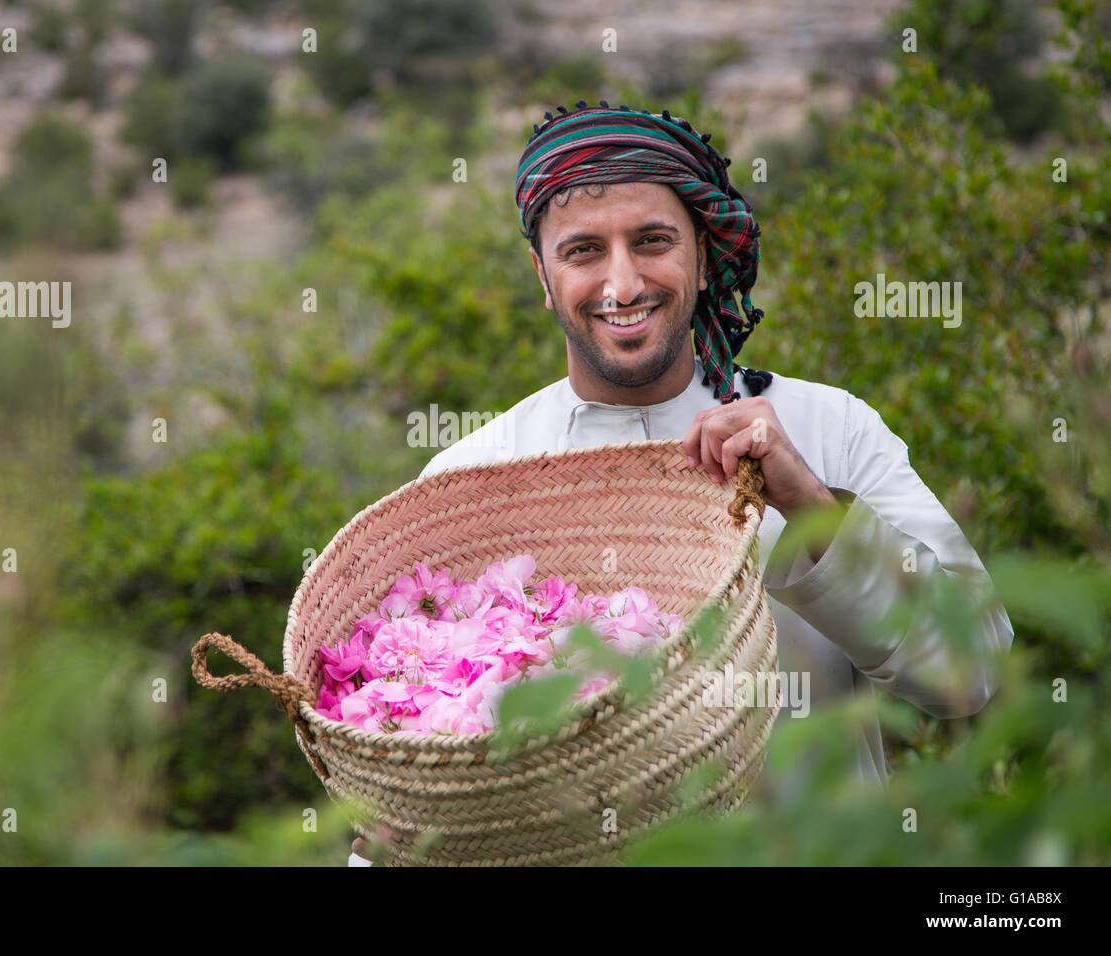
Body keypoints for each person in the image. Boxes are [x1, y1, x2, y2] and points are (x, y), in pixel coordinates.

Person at [348, 101, 1013, 865]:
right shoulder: (472, 478)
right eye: (584, 251)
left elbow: (976, 672)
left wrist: (812, 509)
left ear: (701, 254)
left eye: (653, 241)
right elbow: (415, 783)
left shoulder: (828, 429)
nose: (621, 282)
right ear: (543, 273)